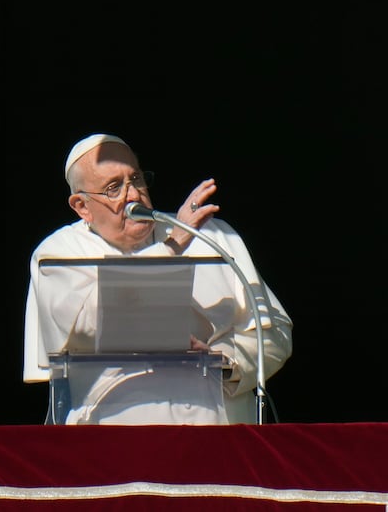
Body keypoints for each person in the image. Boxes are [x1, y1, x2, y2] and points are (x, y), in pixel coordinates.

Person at [23, 133, 293, 425]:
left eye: (136, 179)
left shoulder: (211, 236)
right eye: (114, 188)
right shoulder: (59, 252)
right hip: (112, 438)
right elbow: (93, 324)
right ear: (82, 206)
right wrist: (173, 246)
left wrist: (224, 361)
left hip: (215, 436)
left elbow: (275, 331)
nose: (134, 194)